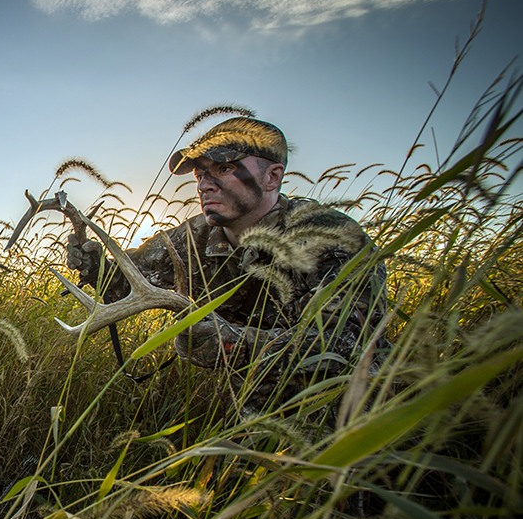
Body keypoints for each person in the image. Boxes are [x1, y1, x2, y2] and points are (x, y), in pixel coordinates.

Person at [67, 117, 388, 409]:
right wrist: (98, 267)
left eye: (223, 169)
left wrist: (232, 344)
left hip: (347, 410)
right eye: (200, 173)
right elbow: (132, 281)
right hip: (250, 409)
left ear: (272, 176)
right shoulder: (193, 236)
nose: (204, 185)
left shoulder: (330, 237)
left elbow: (346, 344)